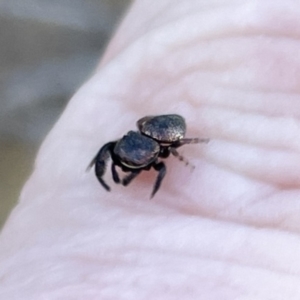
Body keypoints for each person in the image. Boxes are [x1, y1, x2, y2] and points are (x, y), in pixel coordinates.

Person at [1, 0, 300, 298]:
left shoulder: (166, 148)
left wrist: (182, 154)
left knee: (157, 161)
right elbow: (111, 149)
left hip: (162, 135)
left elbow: (175, 151)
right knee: (112, 151)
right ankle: (115, 172)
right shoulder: (132, 138)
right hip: (147, 135)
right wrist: (109, 169)